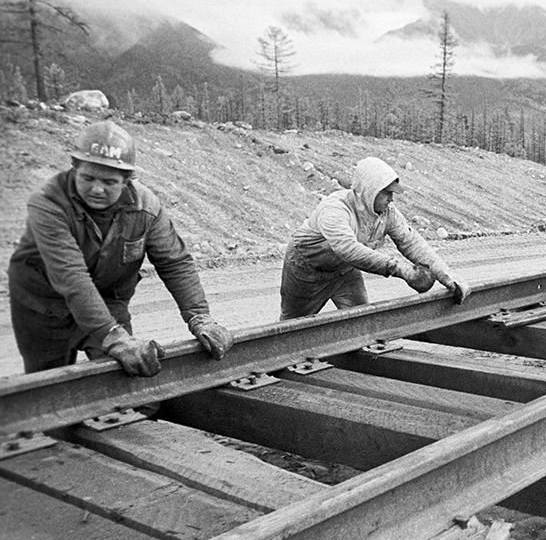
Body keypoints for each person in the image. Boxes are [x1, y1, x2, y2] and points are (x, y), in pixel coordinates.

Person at [8, 120, 233, 377]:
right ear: (74, 168)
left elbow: (174, 262)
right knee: (48, 389)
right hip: (43, 306)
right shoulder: (48, 203)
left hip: (108, 298)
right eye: (88, 178)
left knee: (129, 377)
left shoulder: (146, 207)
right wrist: (113, 337)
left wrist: (199, 317)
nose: (96, 189)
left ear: (127, 180)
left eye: (109, 182)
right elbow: (71, 276)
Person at [280, 156, 471, 320]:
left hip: (343, 271)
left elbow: (411, 242)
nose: (391, 199)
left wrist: (447, 277)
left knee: (361, 320)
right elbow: (347, 248)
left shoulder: (387, 213)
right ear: (368, 190)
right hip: (306, 270)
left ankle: (351, 358)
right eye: (386, 193)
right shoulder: (335, 209)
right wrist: (399, 268)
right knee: (293, 328)